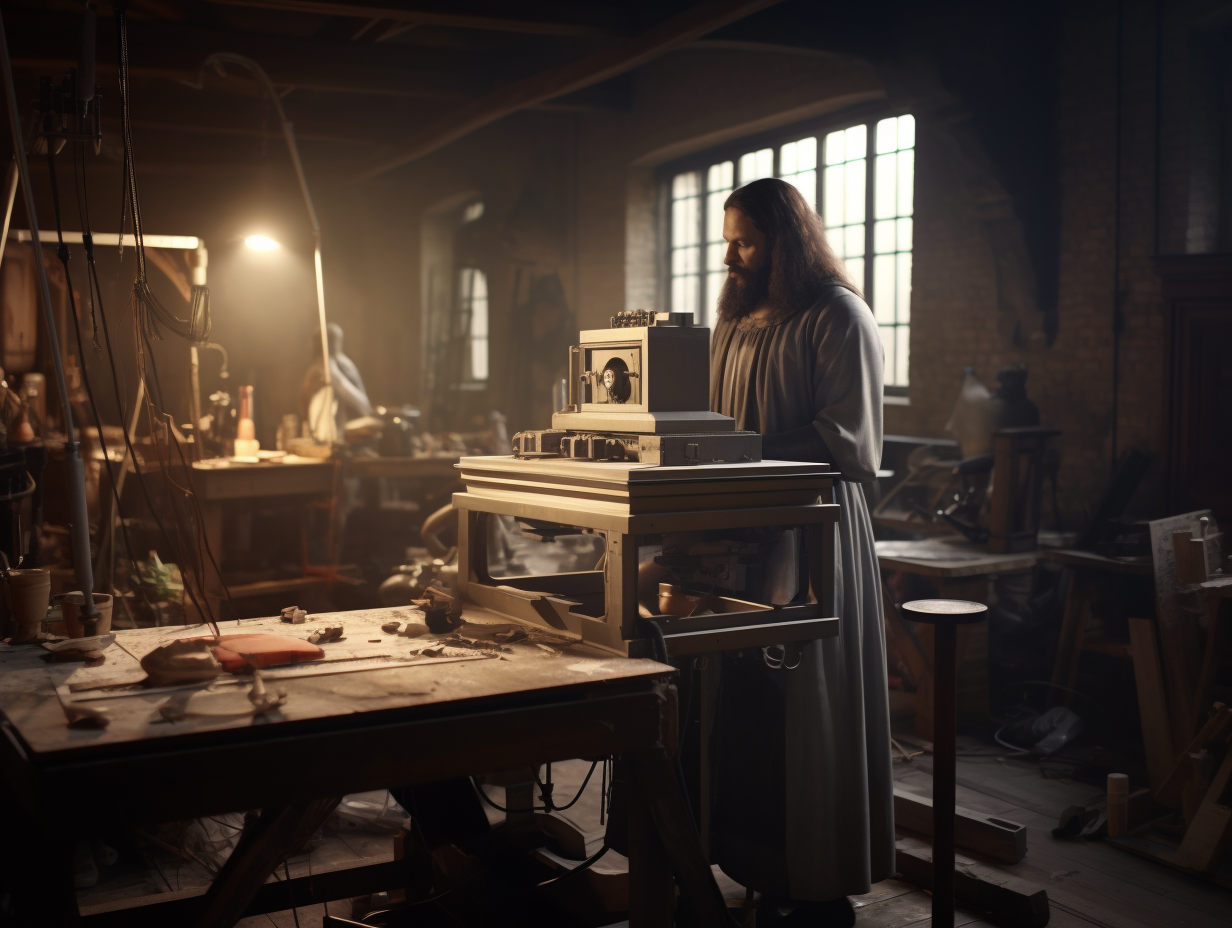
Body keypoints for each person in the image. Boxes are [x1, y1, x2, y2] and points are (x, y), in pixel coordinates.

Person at [707, 178, 894, 926]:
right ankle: (748, 862)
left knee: (804, 713)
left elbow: (846, 444)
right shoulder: (735, 322)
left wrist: (732, 455)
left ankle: (813, 882)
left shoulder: (837, 316)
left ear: (784, 242)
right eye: (727, 240)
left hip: (811, 535)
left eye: (744, 241)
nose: (730, 256)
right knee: (740, 710)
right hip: (736, 538)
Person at [298, 322, 372, 441]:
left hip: (349, 437)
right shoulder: (313, 372)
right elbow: (305, 411)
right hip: (320, 437)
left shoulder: (344, 366)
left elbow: (365, 408)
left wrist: (339, 381)